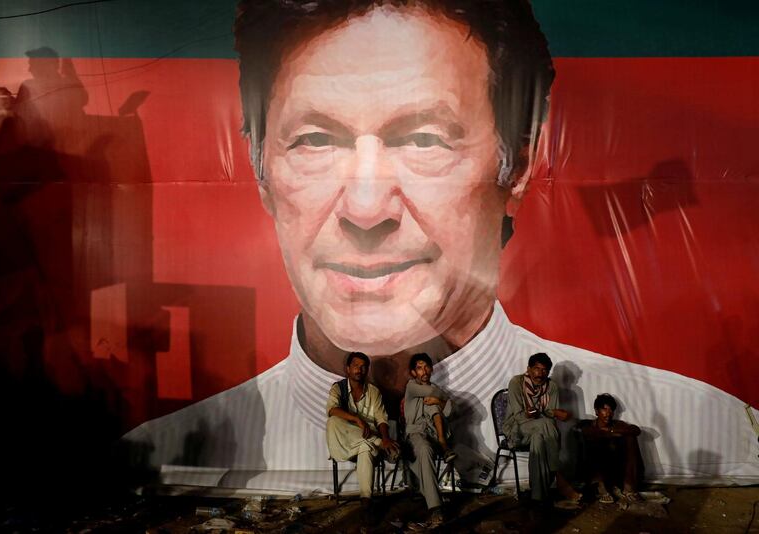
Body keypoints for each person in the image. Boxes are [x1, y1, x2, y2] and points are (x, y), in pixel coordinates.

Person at [121, 0, 758, 492]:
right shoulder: (153, 464)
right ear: (261, 168)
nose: (366, 209)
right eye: (316, 139)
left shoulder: (712, 436)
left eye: (423, 139)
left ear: (519, 164)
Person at [503, 353, 580, 504]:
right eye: (536, 369)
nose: (540, 373)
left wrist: (547, 413)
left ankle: (537, 497)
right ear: (528, 369)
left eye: (544, 370)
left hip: (539, 430)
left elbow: (551, 417)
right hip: (516, 430)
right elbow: (519, 416)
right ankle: (559, 476)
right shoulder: (516, 382)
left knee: (539, 438)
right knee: (545, 424)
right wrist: (547, 412)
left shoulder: (551, 386)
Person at [326, 352, 399, 502]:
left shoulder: (373, 391)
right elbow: (332, 409)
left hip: (365, 440)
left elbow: (381, 418)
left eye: (363, 367)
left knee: (365, 448)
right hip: (346, 441)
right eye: (356, 366)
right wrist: (356, 419)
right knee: (333, 421)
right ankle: (378, 442)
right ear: (348, 369)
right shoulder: (338, 388)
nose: (359, 370)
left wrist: (385, 437)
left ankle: (366, 500)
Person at [403, 353, 454, 526]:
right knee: (424, 449)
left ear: (431, 369)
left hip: (433, 433)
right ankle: (435, 508)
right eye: (419, 368)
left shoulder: (434, 389)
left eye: (426, 367)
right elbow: (438, 395)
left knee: (433, 405)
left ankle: (443, 443)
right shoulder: (411, 387)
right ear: (413, 372)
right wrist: (442, 399)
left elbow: (454, 410)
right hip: (415, 435)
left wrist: (439, 403)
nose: (424, 371)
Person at [578, 394, 643, 504]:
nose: (608, 413)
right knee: (596, 440)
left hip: (616, 469)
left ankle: (629, 488)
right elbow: (586, 432)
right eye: (604, 409)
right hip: (596, 471)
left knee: (631, 438)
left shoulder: (617, 425)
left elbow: (636, 430)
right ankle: (601, 487)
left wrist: (613, 432)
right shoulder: (589, 424)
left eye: (611, 410)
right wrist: (608, 434)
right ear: (596, 411)